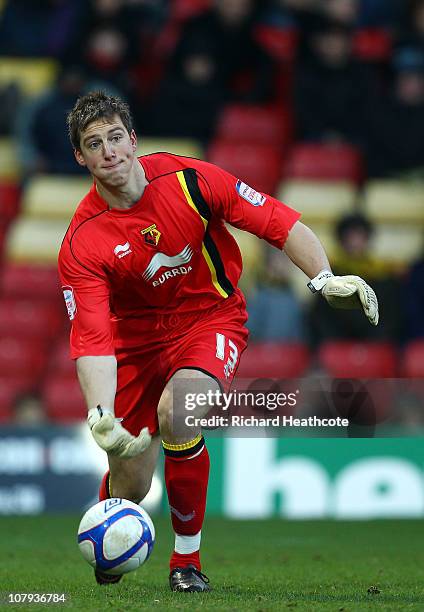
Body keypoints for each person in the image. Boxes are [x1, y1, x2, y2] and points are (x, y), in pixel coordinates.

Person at [58, 91, 379, 592]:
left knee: (179, 411)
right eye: (94, 144)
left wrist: (322, 278)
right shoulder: (83, 240)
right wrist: (101, 416)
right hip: (136, 344)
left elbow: (276, 220)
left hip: (210, 320)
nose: (110, 152)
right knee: (133, 481)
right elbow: (94, 337)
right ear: (81, 157)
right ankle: (113, 527)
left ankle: (186, 561)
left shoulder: (191, 180)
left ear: (133, 139)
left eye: (116, 137)